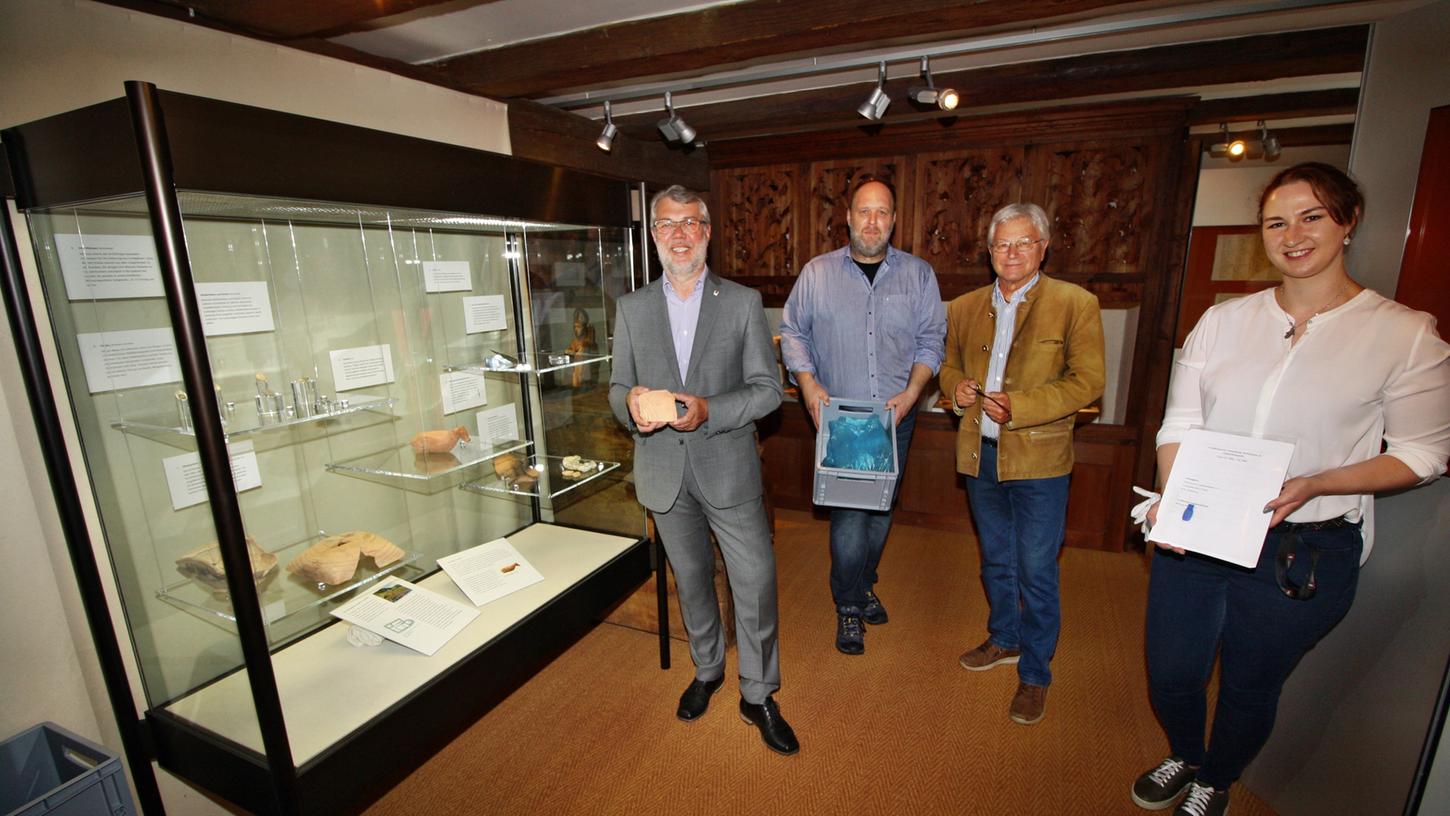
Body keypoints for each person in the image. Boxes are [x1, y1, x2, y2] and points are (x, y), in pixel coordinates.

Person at [1131, 163, 1450, 816]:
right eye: (1277, 221)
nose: (1293, 234)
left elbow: (1425, 453)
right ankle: (1187, 753)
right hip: (1202, 530)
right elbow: (1182, 423)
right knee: (1172, 673)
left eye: (1312, 216)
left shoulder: (1404, 332)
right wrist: (1178, 496)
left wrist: (1317, 483)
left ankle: (1217, 778)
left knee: (1251, 685)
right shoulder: (1223, 322)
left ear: (1348, 221)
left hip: (1302, 547)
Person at [609, 185, 798, 756]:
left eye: (691, 223)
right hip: (664, 471)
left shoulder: (741, 302)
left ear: (708, 232)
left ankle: (759, 693)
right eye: (667, 225)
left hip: (728, 467)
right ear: (654, 236)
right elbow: (617, 390)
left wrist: (713, 409)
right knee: (690, 582)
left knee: (756, 582)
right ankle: (709, 668)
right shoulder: (632, 308)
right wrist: (634, 401)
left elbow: (768, 392)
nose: (680, 235)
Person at [938, 202, 1105, 726]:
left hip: (1041, 462)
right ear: (989, 252)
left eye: (1023, 242)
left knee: (1036, 569)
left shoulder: (1075, 303)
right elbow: (946, 366)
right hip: (980, 457)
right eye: (1001, 245)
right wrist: (954, 388)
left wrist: (1022, 407)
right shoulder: (962, 307)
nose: (1011, 253)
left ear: (1044, 246)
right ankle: (1004, 639)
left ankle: (1035, 673)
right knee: (995, 560)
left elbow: (1088, 382)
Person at [778, 177, 946, 655]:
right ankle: (849, 606)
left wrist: (914, 392)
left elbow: (932, 339)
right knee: (850, 517)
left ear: (893, 221)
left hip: (897, 416)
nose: (872, 221)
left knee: (881, 511)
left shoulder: (918, 275)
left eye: (882, 212)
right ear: (848, 218)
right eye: (863, 211)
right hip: (842, 418)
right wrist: (808, 384)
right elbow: (792, 331)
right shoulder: (816, 273)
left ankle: (862, 582)